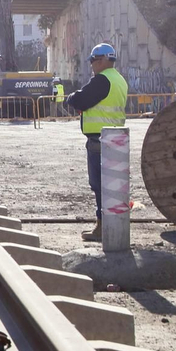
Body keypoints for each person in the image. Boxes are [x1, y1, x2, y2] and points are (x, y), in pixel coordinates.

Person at [63, 43, 128, 243]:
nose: (92, 66)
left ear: (101, 60)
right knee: (114, 185)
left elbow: (81, 100)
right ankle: (115, 226)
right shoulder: (119, 80)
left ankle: (102, 228)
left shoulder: (102, 80)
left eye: (93, 61)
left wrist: (71, 98)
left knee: (99, 185)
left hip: (98, 140)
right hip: (116, 139)